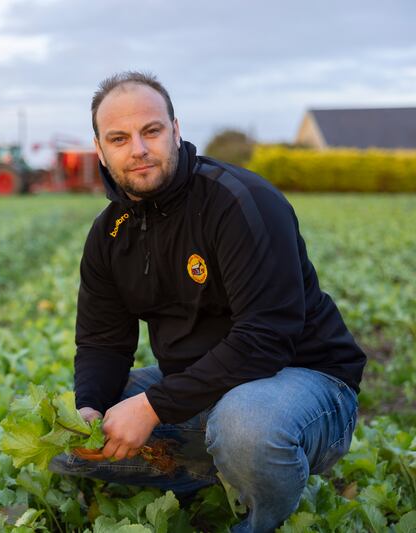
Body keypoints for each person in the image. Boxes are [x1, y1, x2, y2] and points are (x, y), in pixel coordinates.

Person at [48, 71, 366, 533]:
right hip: (202, 386)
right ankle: (217, 470)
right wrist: (92, 407)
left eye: (151, 131)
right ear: (100, 149)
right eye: (119, 138)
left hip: (302, 380)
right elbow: (102, 341)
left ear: (176, 130)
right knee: (63, 441)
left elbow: (265, 340)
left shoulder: (240, 201)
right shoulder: (108, 234)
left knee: (246, 428)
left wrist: (153, 407)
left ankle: (260, 510)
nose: (138, 149)